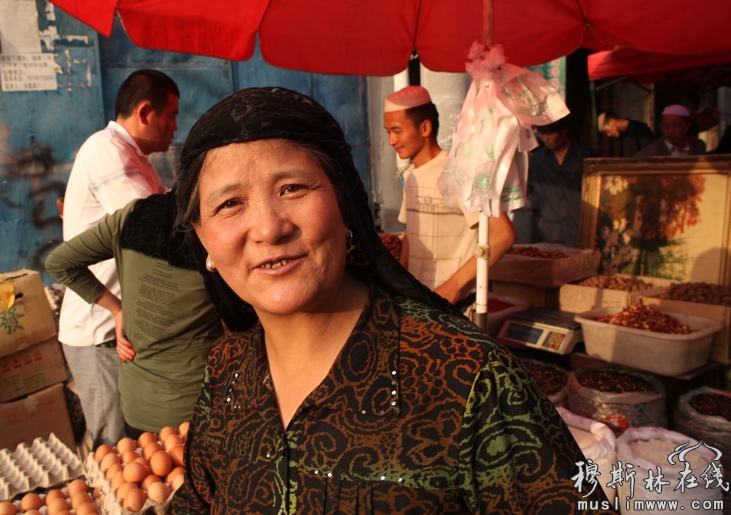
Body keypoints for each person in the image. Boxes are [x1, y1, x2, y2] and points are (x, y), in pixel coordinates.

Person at [172, 87, 613, 514]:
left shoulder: (468, 380)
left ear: (345, 203)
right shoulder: (226, 373)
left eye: (292, 188)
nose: (269, 228)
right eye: (229, 203)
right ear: (202, 240)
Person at [58, 68, 179, 448]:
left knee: (133, 446)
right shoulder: (107, 152)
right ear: (145, 112)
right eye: (171, 115)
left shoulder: (135, 156)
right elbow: (155, 229)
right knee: (113, 450)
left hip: (121, 326)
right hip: (99, 327)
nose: (176, 126)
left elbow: (169, 209)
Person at [46, 191, 227, 438]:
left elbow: (59, 262)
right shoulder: (215, 234)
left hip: (137, 405)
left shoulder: (130, 217)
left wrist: (117, 309)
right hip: (197, 410)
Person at [382, 86, 515, 306]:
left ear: (425, 127)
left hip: (456, 307)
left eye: (397, 131)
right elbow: (411, 235)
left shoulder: (458, 172)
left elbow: (503, 235)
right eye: (388, 132)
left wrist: (453, 286)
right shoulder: (411, 177)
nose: (391, 141)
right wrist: (401, 285)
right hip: (420, 304)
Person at [528, 117, 598, 247]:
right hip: (550, 235)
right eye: (541, 133)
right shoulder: (537, 161)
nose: (545, 138)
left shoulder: (587, 157)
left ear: (564, 131)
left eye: (549, 133)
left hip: (583, 232)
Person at [636, 104, 706, 157]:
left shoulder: (698, 146)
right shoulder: (648, 154)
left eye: (676, 126)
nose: (670, 131)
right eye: (666, 126)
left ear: (688, 126)